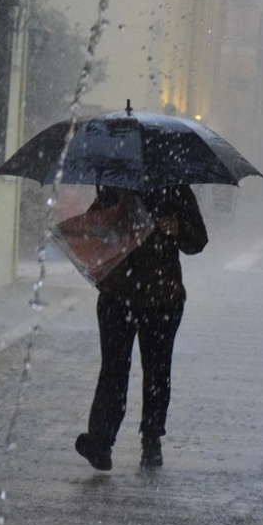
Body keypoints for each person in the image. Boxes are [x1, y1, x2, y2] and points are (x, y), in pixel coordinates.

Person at [74, 183, 208, 471]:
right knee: (114, 369)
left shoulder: (175, 189)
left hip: (161, 299)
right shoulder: (115, 188)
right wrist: (115, 223)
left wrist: (178, 228)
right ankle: (101, 443)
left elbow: (198, 240)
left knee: (156, 370)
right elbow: (93, 230)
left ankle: (150, 440)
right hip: (119, 297)